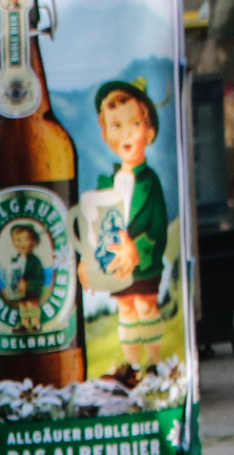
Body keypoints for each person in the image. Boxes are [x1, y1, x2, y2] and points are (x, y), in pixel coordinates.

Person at [91, 80, 169, 381]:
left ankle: (154, 363)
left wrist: (139, 248)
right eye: (116, 125)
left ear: (148, 133)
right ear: (105, 132)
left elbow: (158, 226)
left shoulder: (151, 183)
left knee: (145, 305)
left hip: (144, 263)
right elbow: (98, 227)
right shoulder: (107, 183)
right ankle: (133, 366)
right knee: (126, 307)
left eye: (133, 124)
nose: (125, 133)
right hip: (117, 264)